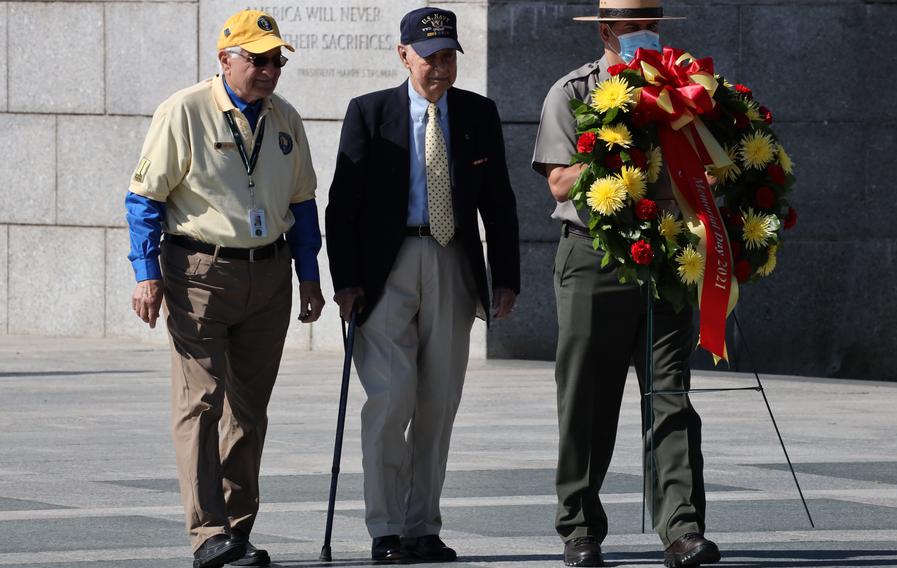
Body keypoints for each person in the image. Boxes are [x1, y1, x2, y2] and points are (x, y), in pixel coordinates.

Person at [126, 9, 324, 568]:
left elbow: (303, 204)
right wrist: (146, 275)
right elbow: (143, 200)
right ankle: (206, 531)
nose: (269, 71)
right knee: (200, 404)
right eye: (257, 60)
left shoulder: (286, 119)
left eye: (276, 60)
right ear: (225, 59)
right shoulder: (184, 110)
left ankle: (236, 529)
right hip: (198, 273)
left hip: (270, 275)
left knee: (249, 410)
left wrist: (309, 275)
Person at [325, 6, 520, 563]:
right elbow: (342, 207)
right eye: (429, 56)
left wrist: (504, 278)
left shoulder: (478, 113)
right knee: (390, 399)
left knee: (439, 400)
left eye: (448, 57)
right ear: (403, 54)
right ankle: (385, 528)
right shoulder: (369, 112)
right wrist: (346, 280)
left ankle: (422, 526)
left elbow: (499, 203)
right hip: (386, 270)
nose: (439, 67)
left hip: (452, 263)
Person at [531, 1, 722, 567]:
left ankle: (682, 528)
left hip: (665, 252)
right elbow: (560, 184)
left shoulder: (685, 92)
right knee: (587, 395)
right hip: (594, 253)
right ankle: (580, 528)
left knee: (671, 394)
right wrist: (615, 143)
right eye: (635, 27)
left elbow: (712, 166)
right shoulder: (572, 91)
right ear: (608, 30)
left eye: (654, 26)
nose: (647, 35)